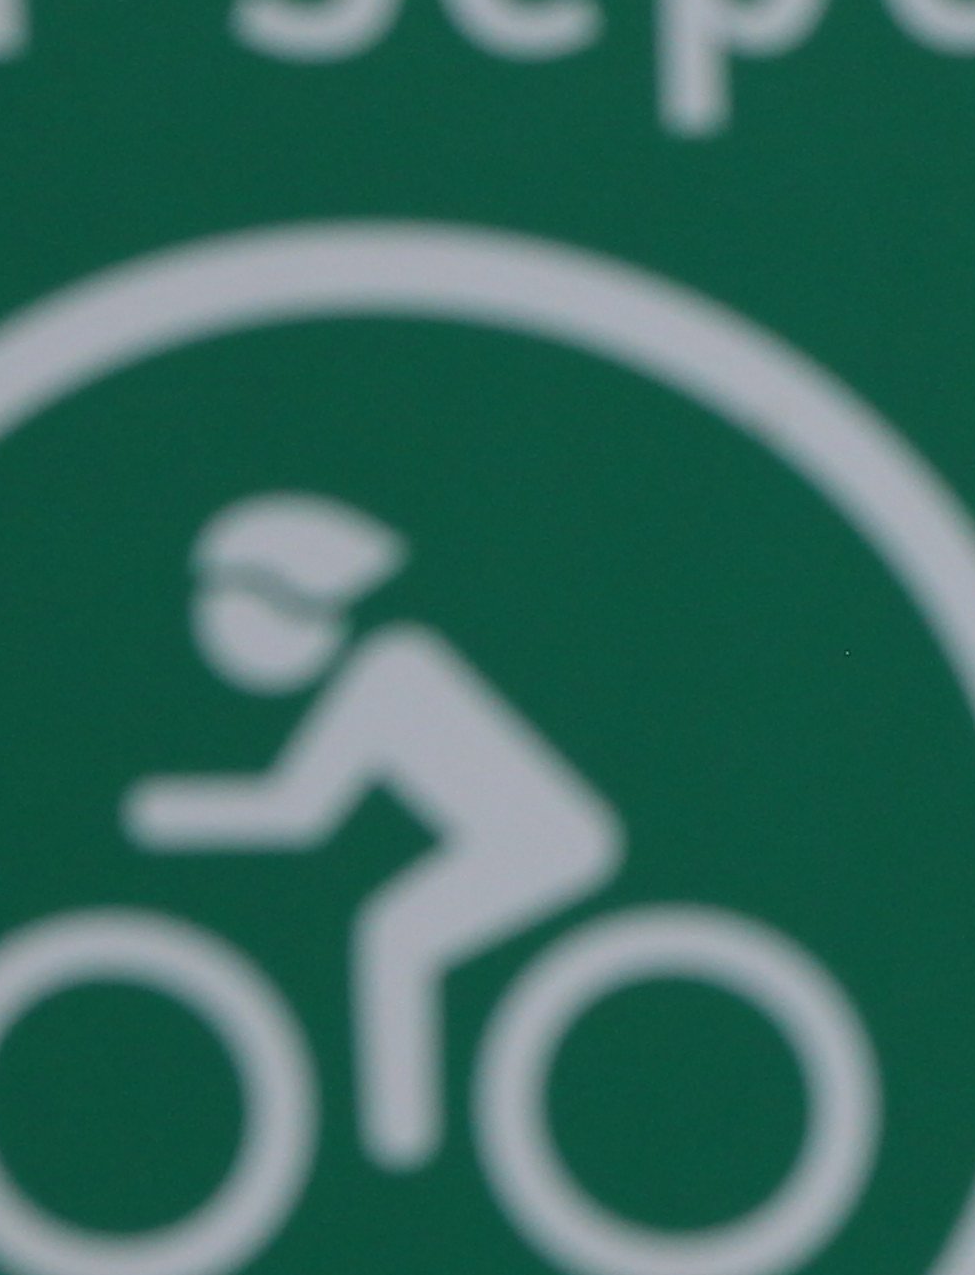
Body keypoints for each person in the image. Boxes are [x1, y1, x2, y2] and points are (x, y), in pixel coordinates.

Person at [125, 492, 626, 1170]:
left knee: (391, 933)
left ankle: (401, 1141)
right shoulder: (382, 664)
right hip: (518, 841)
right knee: (392, 928)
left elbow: (301, 811)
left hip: (545, 845)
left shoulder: (389, 669)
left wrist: (163, 812)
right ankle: (401, 1136)